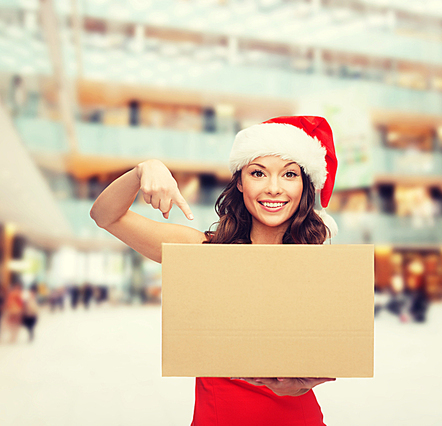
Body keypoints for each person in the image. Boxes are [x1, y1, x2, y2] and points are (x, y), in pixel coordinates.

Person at [91, 116, 339, 426]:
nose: (274, 188)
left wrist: (305, 382)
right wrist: (144, 169)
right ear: (240, 181)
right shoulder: (204, 252)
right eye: (258, 173)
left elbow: (332, 356)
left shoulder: (315, 265)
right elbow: (105, 216)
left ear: (304, 185)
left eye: (289, 174)